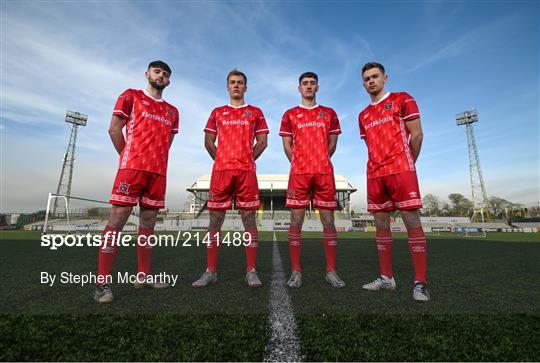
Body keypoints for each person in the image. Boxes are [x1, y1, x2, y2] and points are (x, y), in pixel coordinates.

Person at [94, 60, 179, 303]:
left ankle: (143, 275)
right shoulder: (131, 96)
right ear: (147, 74)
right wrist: (127, 158)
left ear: (169, 80)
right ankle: (102, 284)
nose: (160, 76)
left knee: (149, 223)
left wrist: (154, 162)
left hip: (158, 173)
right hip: (131, 170)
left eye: (165, 74)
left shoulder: (173, 111)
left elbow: (167, 143)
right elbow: (114, 129)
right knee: (118, 219)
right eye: (157, 72)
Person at [358, 62, 430, 301]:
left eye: (375, 76)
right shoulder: (363, 115)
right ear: (363, 83)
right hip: (375, 174)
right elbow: (370, 145)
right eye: (367, 78)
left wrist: (408, 162)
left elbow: (417, 134)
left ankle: (420, 283)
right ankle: (386, 277)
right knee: (380, 223)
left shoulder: (402, 99)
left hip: (401, 171)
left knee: (410, 220)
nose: (371, 81)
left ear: (385, 78)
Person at [192, 69, 269, 288]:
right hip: (221, 173)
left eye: (240, 82)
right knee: (215, 222)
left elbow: (262, 142)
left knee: (249, 221)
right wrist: (223, 160)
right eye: (233, 82)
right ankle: (210, 271)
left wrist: (245, 159)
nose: (236, 85)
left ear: (246, 87)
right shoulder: (218, 112)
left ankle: (251, 271)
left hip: (246, 173)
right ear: (227, 86)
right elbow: (208, 141)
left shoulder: (255, 112)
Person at [279, 72, 345, 289]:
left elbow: (332, 144)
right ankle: (296, 271)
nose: (308, 86)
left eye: (312, 83)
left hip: (324, 173)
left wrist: (320, 161)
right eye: (304, 84)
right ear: (299, 88)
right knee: (296, 222)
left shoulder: (329, 113)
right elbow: (287, 145)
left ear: (317, 87)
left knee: (328, 221)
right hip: (299, 175)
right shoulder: (290, 114)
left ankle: (331, 271)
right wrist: (299, 163)